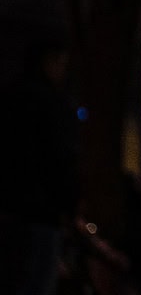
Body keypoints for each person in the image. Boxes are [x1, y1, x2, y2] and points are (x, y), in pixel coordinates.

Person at [0, 33, 78, 295]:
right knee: (37, 282)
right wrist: (69, 205)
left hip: (11, 209)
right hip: (41, 212)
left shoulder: (10, 98)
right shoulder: (51, 104)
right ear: (49, 62)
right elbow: (60, 158)